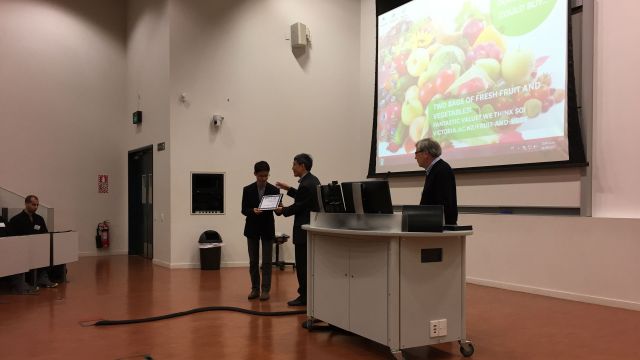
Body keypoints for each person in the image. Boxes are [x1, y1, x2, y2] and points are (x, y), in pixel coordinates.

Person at [275, 153, 320, 307]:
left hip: (303, 231)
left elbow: (299, 206)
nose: (292, 167)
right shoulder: (312, 180)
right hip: (310, 230)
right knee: (306, 265)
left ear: (302, 166)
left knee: (302, 266)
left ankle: (304, 297)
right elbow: (303, 199)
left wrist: (282, 210)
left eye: (294, 164)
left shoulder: (307, 184)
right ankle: (309, 295)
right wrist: (289, 189)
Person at [241, 161, 280, 301]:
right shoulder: (247, 189)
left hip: (267, 228)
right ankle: (255, 289)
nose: (263, 179)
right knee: (253, 261)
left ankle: (265, 290)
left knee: (267, 261)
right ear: (255, 174)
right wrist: (252, 211)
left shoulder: (274, 190)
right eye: (261, 176)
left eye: (266, 176)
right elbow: (243, 210)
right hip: (252, 228)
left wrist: (278, 209)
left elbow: (278, 212)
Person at [8, 194, 58, 289]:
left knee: (46, 255)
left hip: (37, 249)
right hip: (21, 250)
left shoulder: (39, 219)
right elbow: (12, 238)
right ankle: (22, 282)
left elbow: (45, 234)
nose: (35, 207)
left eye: (37, 205)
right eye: (33, 204)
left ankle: (42, 278)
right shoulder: (16, 220)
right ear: (26, 204)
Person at [414, 138, 458, 225]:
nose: (415, 157)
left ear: (426, 153)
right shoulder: (434, 169)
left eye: (416, 153)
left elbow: (443, 202)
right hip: (433, 225)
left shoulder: (442, 169)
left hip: (440, 227)